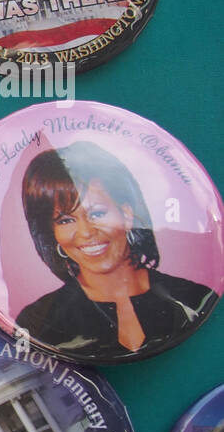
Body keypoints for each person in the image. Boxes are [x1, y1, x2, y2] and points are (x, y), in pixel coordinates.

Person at [17, 142, 217, 361]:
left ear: (127, 214)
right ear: (52, 233)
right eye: (65, 220)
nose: (85, 232)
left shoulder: (193, 297)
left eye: (98, 213)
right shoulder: (38, 323)